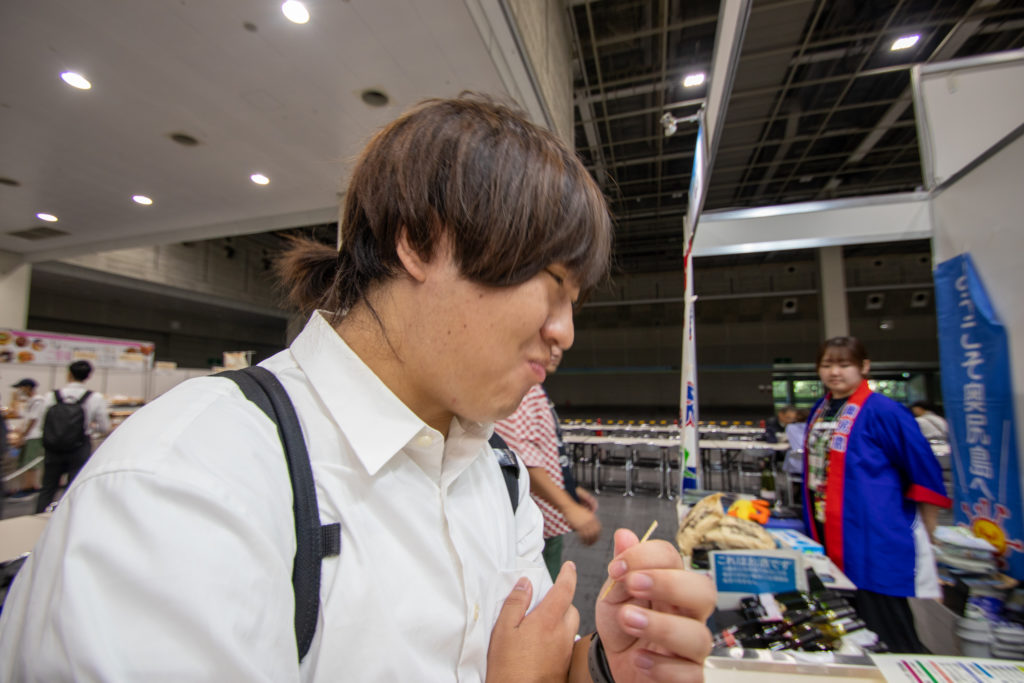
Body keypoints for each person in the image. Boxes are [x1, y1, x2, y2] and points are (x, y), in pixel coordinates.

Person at [0, 95, 714, 682]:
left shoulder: (493, 476)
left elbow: (524, 661)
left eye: (575, 302)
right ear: (421, 240)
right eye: (553, 284)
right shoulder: (191, 485)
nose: (565, 331)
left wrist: (603, 667)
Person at [803, 337, 950, 653]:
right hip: (828, 524)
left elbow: (923, 470)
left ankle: (906, 664)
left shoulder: (885, 410)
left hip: (871, 530)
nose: (835, 372)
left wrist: (930, 532)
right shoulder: (822, 409)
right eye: (827, 365)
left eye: (844, 365)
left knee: (884, 616)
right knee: (846, 613)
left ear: (864, 366)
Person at [495, 346, 601, 580]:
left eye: (559, 347)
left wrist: (570, 490)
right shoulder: (524, 388)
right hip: (536, 526)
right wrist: (568, 506)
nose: (556, 351)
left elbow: (541, 454)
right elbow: (523, 462)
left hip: (547, 519)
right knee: (542, 592)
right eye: (546, 342)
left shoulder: (535, 387)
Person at [33, 360, 111, 513]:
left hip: (53, 446)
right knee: (74, 487)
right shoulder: (95, 397)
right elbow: (104, 427)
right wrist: (91, 428)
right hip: (79, 446)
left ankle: (39, 516)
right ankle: (68, 519)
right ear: (88, 376)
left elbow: (42, 423)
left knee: (48, 487)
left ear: (68, 374)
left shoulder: (51, 396)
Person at [10, 378, 45, 497]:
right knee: (26, 462)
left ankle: (29, 487)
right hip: (29, 435)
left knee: (30, 462)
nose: (20, 390)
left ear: (28, 387)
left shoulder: (38, 401)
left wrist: (23, 435)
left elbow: (33, 420)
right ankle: (27, 486)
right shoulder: (31, 401)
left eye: (21, 388)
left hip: (34, 436)